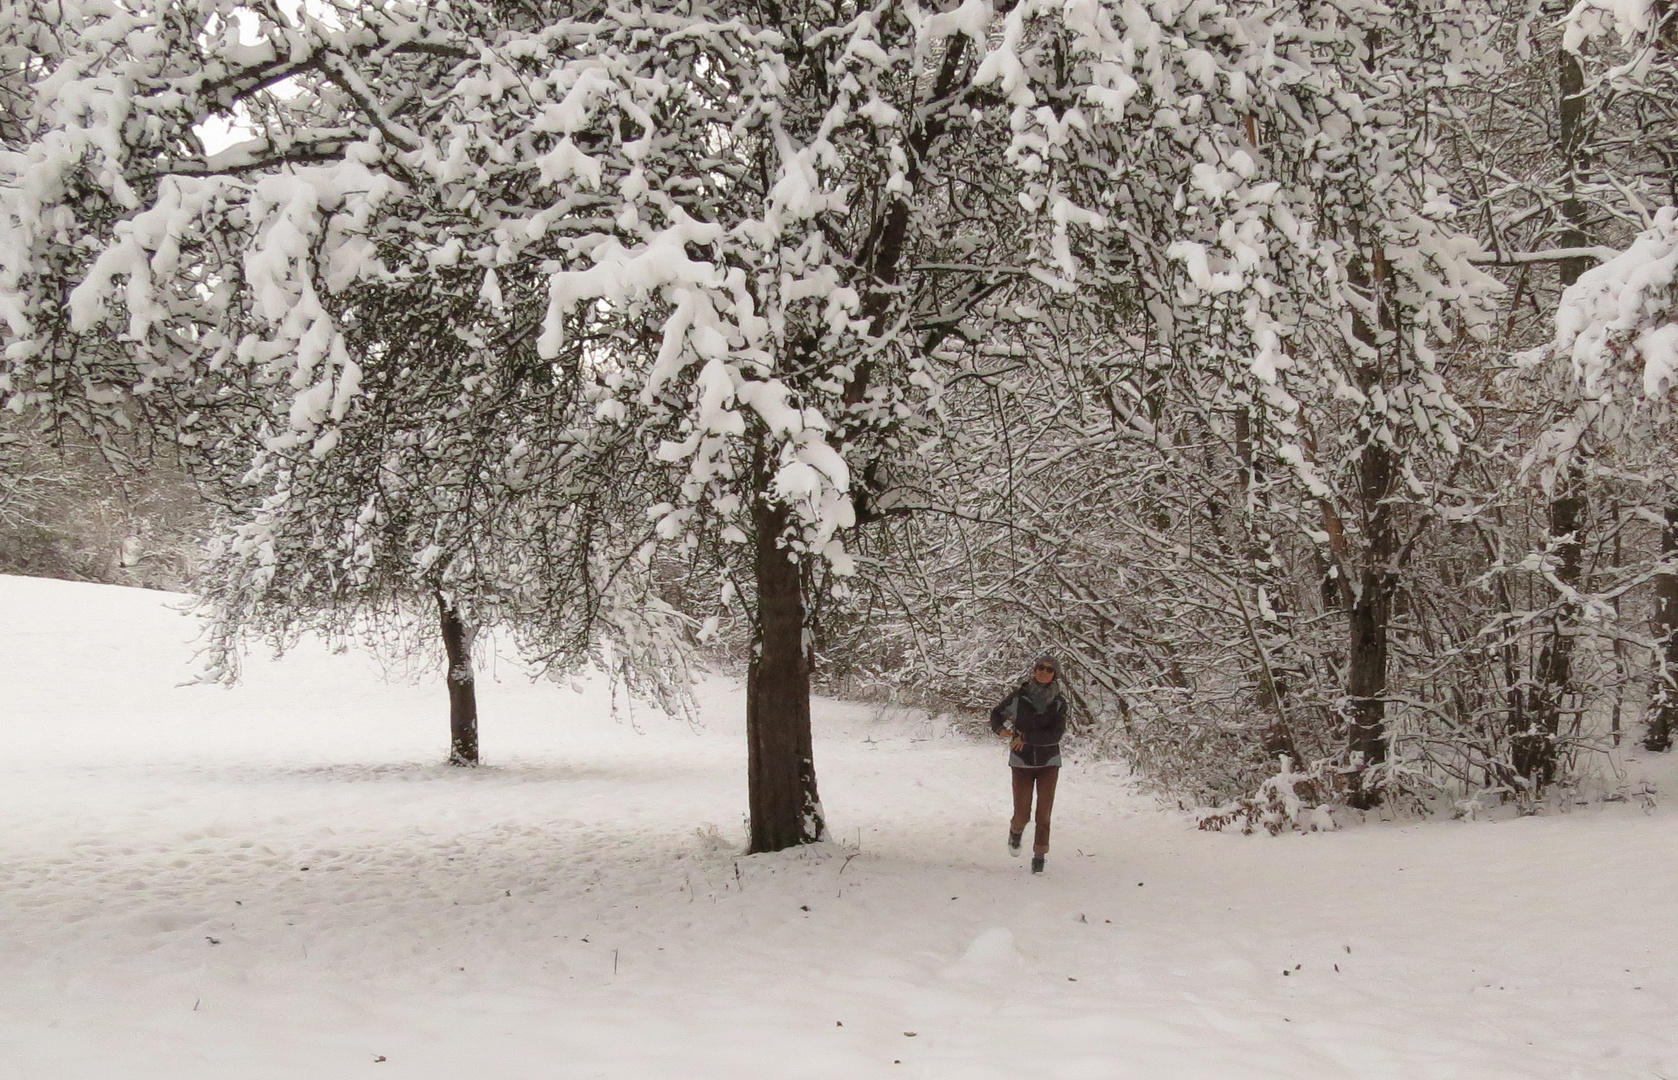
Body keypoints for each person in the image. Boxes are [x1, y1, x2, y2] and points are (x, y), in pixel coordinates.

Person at [989, 654, 1067, 874]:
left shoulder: (1059, 702)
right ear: (1034, 671)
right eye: (1040, 668)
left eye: (1049, 670)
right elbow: (996, 713)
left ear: (1055, 675)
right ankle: (1016, 831)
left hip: (1049, 762)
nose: (1043, 672)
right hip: (1021, 762)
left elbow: (1056, 734)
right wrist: (999, 729)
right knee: (1022, 812)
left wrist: (1026, 738)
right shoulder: (1019, 697)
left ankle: (1039, 855)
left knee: (1044, 813)